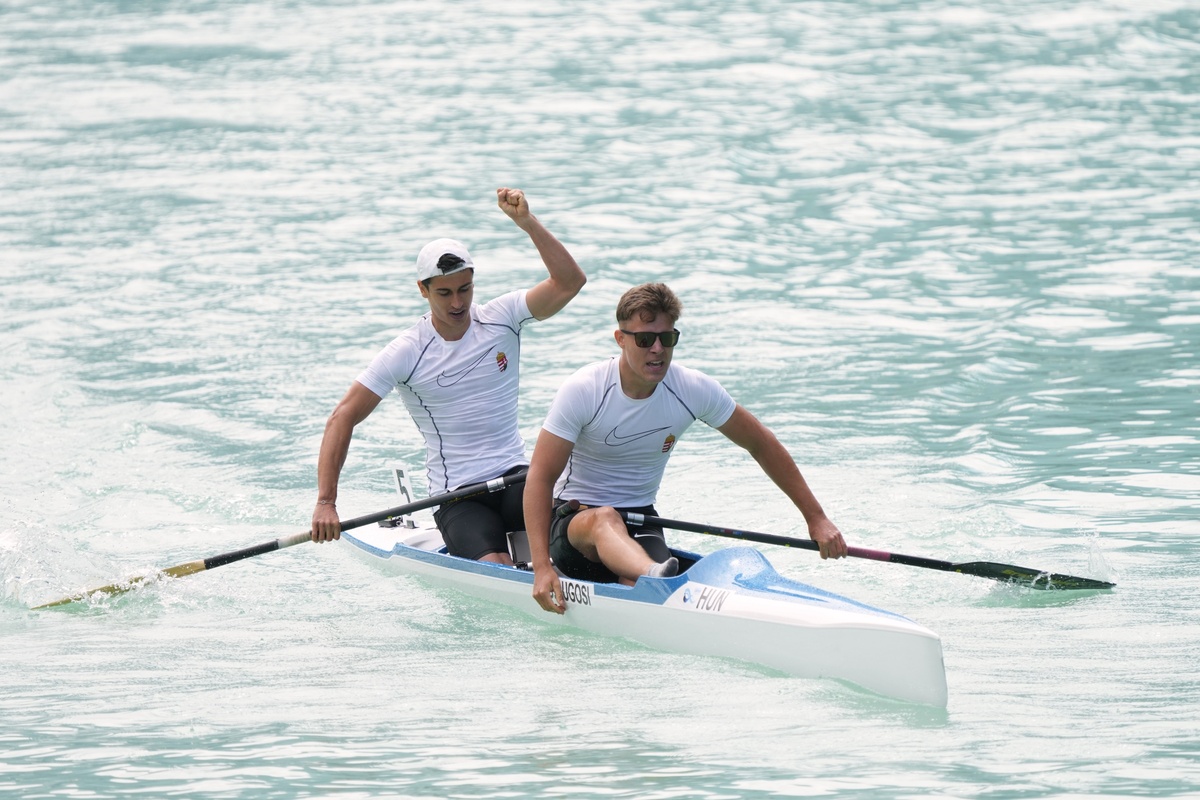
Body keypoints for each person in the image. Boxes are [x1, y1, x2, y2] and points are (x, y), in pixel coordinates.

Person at [524, 282, 847, 613]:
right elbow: (540, 476)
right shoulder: (585, 389)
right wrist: (541, 567)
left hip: (641, 520)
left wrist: (816, 518)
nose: (658, 349)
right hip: (574, 524)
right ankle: (652, 575)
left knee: (642, 586)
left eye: (667, 338)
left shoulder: (692, 389)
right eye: (645, 339)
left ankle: (646, 579)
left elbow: (761, 443)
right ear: (621, 339)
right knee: (604, 518)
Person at [311, 188, 586, 564]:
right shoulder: (407, 350)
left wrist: (526, 223)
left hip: (517, 479)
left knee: (578, 533)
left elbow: (570, 282)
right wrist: (327, 501)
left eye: (465, 289)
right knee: (496, 568)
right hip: (456, 496)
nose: (458, 303)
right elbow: (342, 416)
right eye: (444, 293)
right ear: (422, 290)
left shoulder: (502, 317)